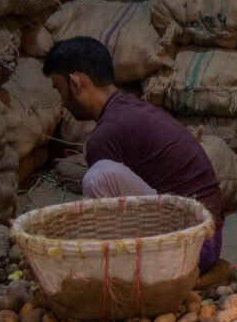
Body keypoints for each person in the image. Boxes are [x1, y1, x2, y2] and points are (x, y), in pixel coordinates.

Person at [42, 37, 224, 272]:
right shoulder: (129, 110)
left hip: (196, 248)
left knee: (99, 177)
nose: (63, 102)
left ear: (77, 83)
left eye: (61, 90)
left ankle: (131, 270)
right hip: (205, 237)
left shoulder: (107, 134)